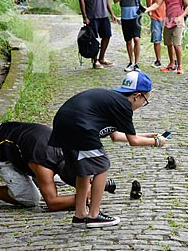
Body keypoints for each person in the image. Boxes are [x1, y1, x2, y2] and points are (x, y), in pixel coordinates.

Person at [49, 71, 167, 229]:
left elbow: (116, 136)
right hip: (80, 127)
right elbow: (133, 141)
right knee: (101, 165)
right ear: (137, 96)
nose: (142, 106)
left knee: (83, 171)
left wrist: (149, 135)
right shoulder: (124, 106)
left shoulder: (113, 99)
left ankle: (80, 215)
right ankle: (94, 215)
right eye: (144, 101)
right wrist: (156, 142)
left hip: (65, 124)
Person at [0, 122, 77, 211]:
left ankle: (33, 175)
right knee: (30, 199)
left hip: (14, 137)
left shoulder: (71, 151)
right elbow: (52, 203)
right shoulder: (44, 165)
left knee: (55, 181)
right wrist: (86, 198)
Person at [145, 0, 188, 75]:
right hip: (168, 20)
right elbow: (157, 3)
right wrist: (148, 9)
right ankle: (171, 64)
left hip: (178, 21)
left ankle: (179, 66)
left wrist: (181, 16)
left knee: (176, 44)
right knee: (168, 44)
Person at [79, 0, 117, 69]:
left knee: (107, 35)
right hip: (92, 15)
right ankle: (95, 60)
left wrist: (112, 13)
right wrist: (84, 16)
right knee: (93, 39)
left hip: (103, 14)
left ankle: (102, 58)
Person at [113, 0, 150, 72]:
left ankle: (137, 63)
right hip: (125, 16)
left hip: (136, 15)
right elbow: (115, 0)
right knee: (128, 40)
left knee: (137, 39)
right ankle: (131, 62)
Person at [146, 0, 171, 69]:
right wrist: (149, 10)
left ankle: (173, 61)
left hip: (168, 14)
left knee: (170, 39)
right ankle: (158, 60)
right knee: (156, 38)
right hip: (155, 14)